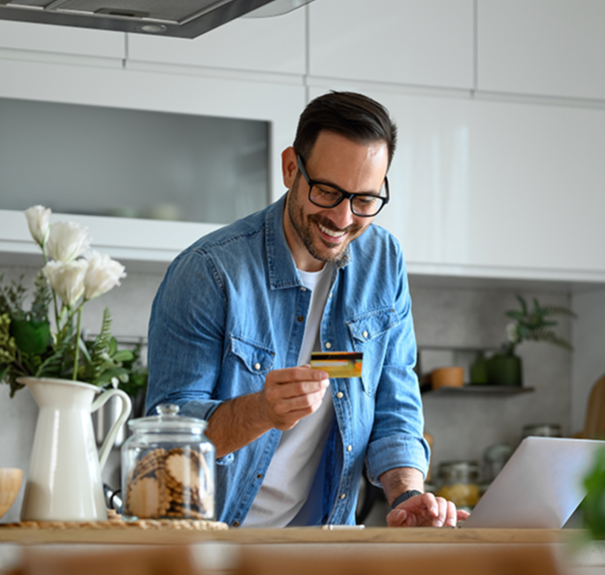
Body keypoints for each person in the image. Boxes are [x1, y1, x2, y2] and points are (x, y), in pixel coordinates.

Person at [146, 91, 468, 529]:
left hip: (323, 545)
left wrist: (406, 493)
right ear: (291, 168)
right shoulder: (210, 272)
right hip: (214, 543)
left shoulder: (383, 262)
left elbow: (395, 403)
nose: (342, 218)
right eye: (328, 191)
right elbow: (167, 443)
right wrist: (261, 410)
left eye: (364, 200)